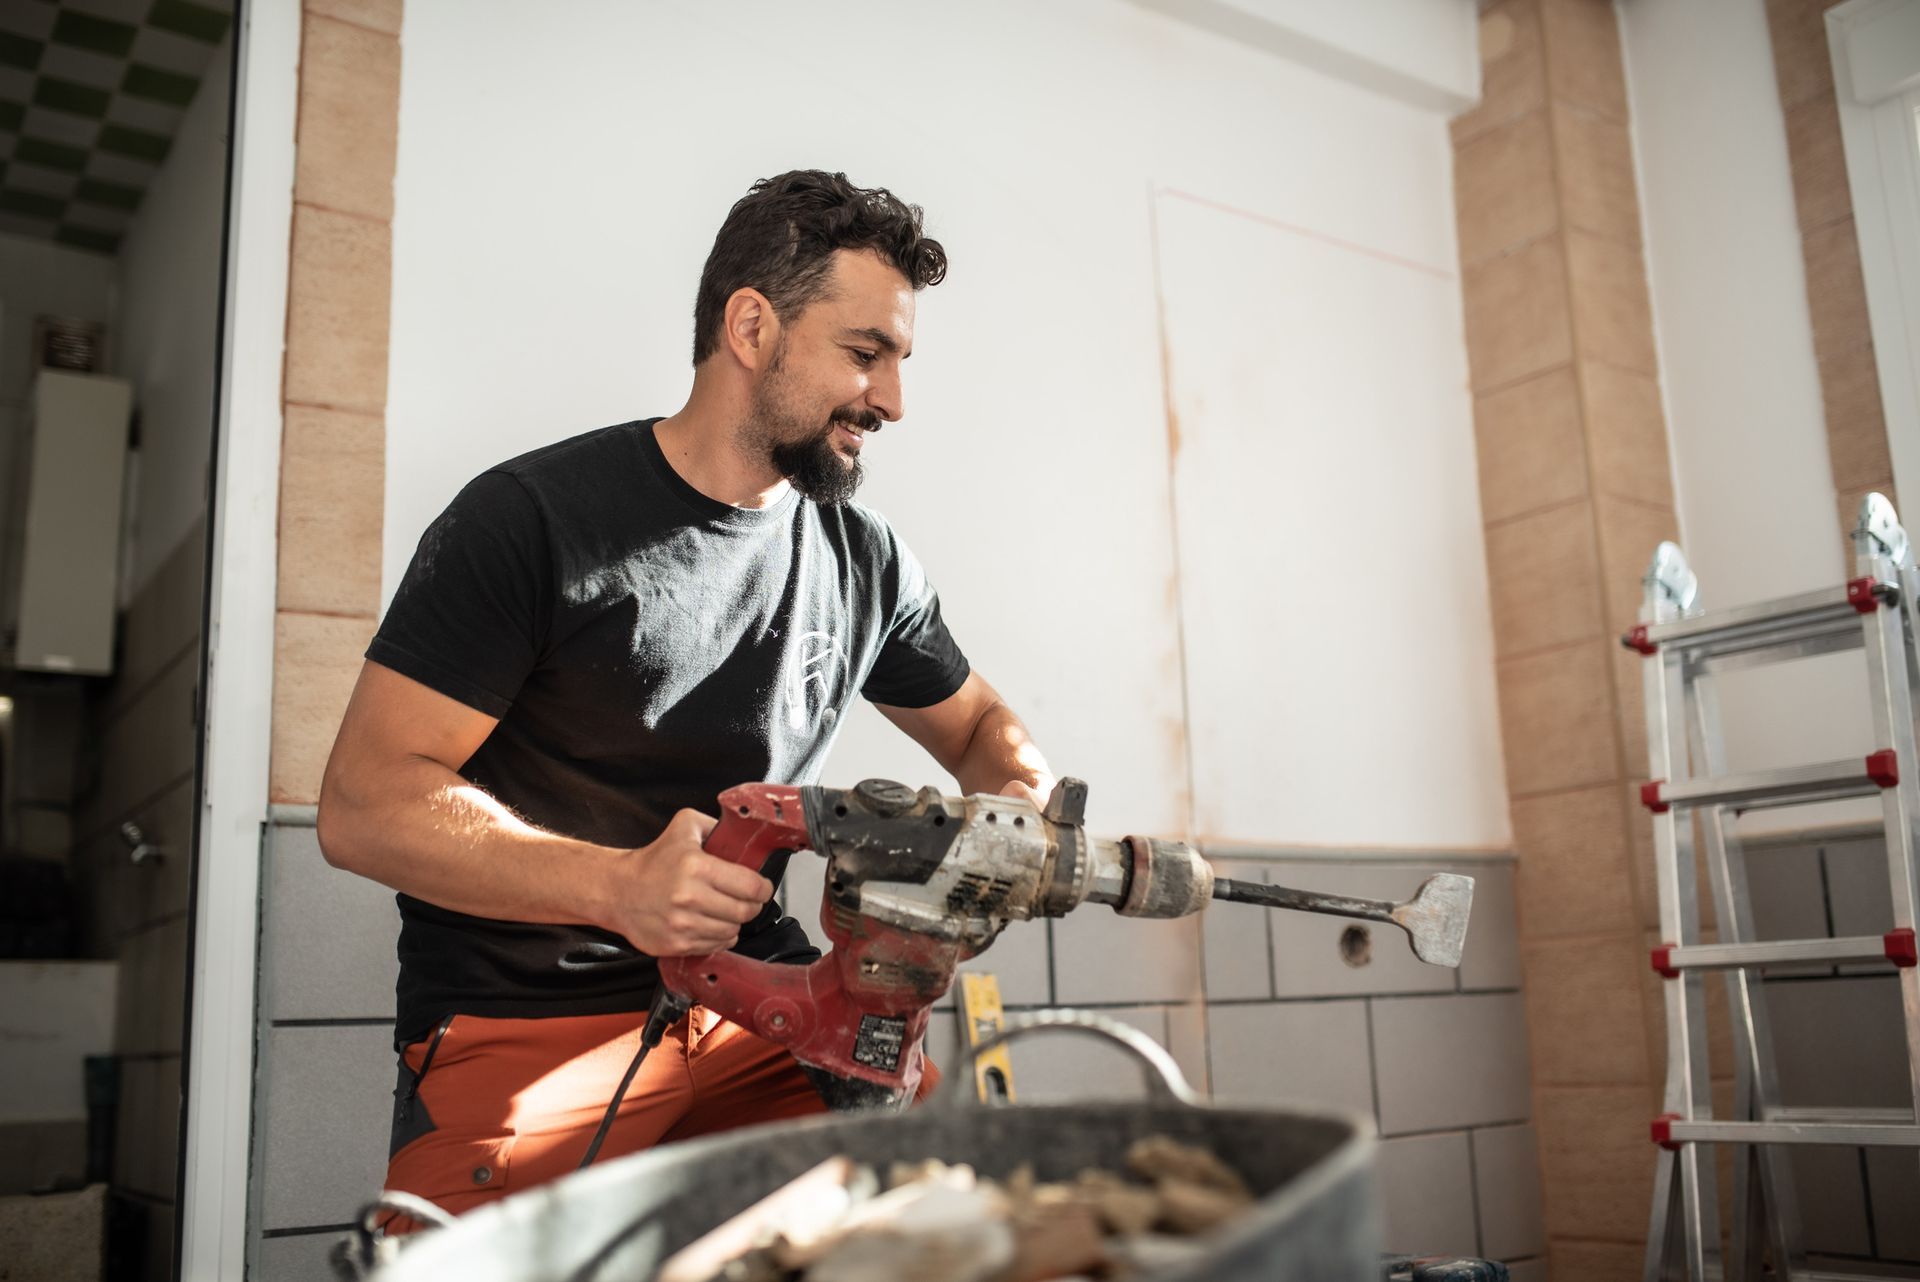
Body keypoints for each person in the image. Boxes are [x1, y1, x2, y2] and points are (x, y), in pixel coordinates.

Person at [315, 170, 1056, 1222]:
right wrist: (617, 886)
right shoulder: (529, 519)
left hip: (765, 1006)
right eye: (864, 353)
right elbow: (363, 803)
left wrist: (1012, 812)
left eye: (898, 361)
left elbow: (984, 726)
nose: (892, 401)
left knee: (937, 1219)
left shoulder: (866, 560)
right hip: (527, 1023)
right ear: (751, 326)